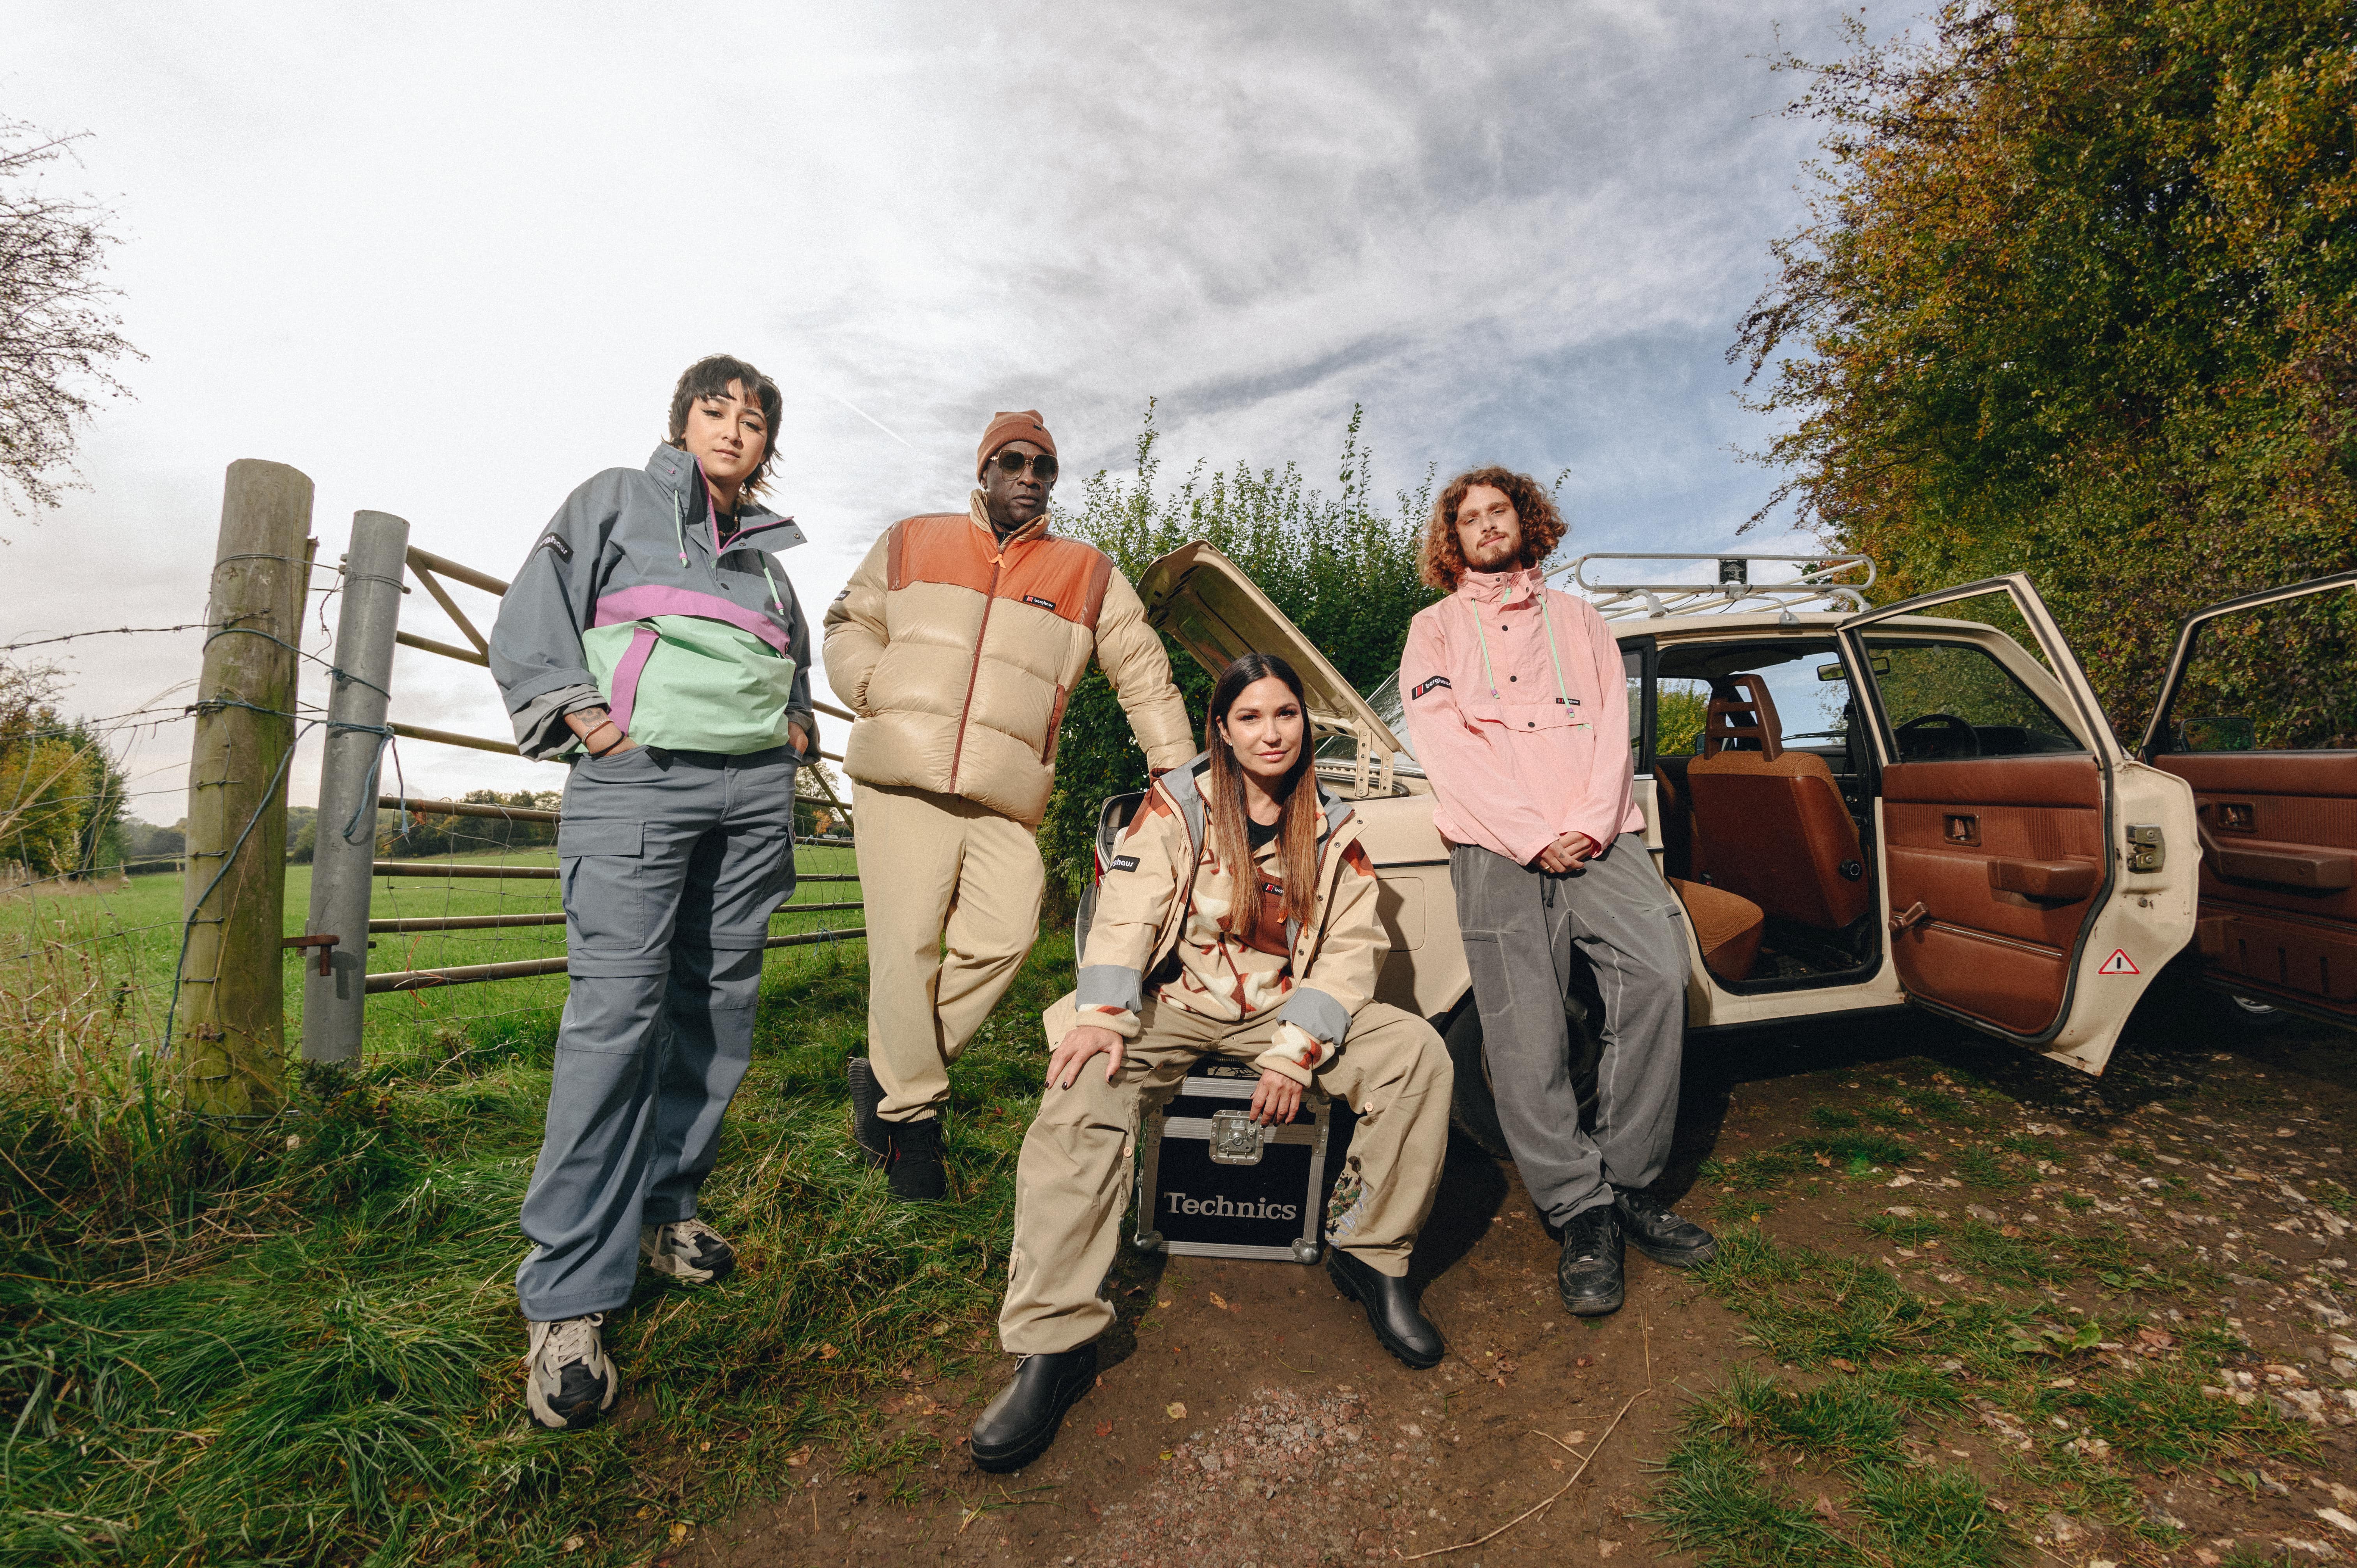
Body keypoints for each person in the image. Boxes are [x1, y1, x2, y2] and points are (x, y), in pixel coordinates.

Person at [970, 653, 1454, 1473]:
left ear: (1306, 724)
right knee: (1082, 1086)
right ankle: (1055, 1341)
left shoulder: (1335, 829)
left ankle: (1371, 1254)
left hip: (1280, 1009)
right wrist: (1103, 1015)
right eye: (1251, 717)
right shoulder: (1175, 807)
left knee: (1417, 1054)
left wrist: (1294, 1052)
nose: (1272, 732)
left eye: (1286, 715)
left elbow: (1348, 952)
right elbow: (1127, 910)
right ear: (1223, 731)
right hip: (1175, 1003)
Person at [488, 353, 816, 1430]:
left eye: (754, 418)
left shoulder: (771, 564)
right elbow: (535, 616)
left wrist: (796, 732)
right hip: (643, 785)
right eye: (715, 410)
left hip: (750, 797)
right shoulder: (613, 502)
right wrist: (588, 720)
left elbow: (790, 664)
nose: (734, 428)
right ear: (682, 422)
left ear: (769, 445)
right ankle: (570, 1293)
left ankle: (668, 1209)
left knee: (716, 1010)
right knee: (616, 1023)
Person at [823, 410, 1193, 1201]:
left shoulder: (1086, 572)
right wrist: (876, 688)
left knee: (1007, 932)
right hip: (901, 774)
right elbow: (849, 624)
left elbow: (1143, 671)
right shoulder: (911, 539)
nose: (1030, 476)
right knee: (908, 947)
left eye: (1045, 468)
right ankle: (911, 1120)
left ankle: (887, 1067)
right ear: (986, 468)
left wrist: (1175, 767)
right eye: (1015, 461)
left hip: (1004, 789)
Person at [1396, 467, 1714, 1319]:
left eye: (1501, 510)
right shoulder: (1433, 633)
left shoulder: (1581, 619)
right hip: (1497, 845)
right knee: (1526, 1028)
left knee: (1654, 973)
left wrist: (1584, 821)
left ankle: (1631, 1180)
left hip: (1600, 831)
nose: (1488, 525)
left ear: (1527, 521)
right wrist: (1533, 831)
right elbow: (1448, 752)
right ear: (1452, 539)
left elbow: (1614, 729)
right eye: (1471, 518)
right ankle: (1581, 1210)